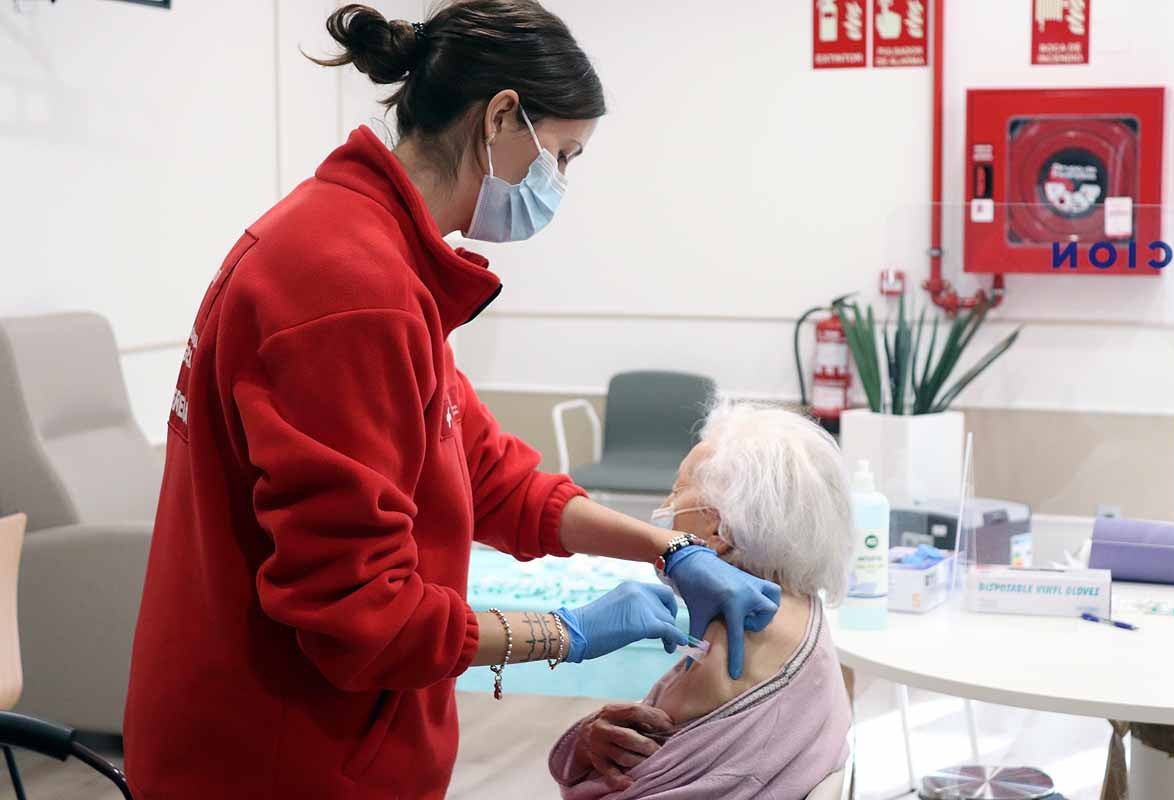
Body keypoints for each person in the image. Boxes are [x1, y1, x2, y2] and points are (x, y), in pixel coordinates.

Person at [122, 3, 780, 800]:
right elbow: (365, 618)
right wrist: (567, 635)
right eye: (562, 155)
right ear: (503, 115)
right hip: (280, 759)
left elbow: (487, 472)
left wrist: (668, 550)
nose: (558, 184)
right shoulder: (350, 288)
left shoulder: (374, 253)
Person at [549, 402, 856, 799]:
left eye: (677, 491)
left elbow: (615, 785)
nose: (667, 509)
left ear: (717, 527)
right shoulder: (802, 607)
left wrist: (581, 741)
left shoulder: (731, 647)